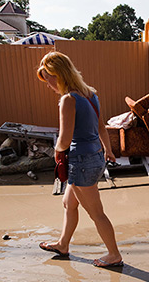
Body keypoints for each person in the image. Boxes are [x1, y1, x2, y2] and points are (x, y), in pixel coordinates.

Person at [37, 52, 123, 268]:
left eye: (48, 79)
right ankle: (63, 244)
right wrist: (108, 150)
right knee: (68, 203)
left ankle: (114, 255)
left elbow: (64, 140)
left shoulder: (68, 100)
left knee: (96, 213)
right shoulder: (90, 95)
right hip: (93, 156)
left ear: (58, 75)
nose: (48, 85)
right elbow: (101, 126)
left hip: (82, 161)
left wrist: (55, 151)